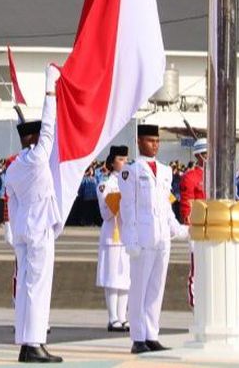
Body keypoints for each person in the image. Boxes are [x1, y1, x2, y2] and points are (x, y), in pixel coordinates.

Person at [4, 64, 62, 363]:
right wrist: (50, 88)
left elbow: (11, 202)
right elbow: (50, 126)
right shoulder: (39, 159)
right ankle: (35, 343)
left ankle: (26, 342)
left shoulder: (14, 168)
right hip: (39, 232)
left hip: (24, 231)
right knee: (38, 288)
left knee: (26, 286)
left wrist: (13, 231)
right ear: (34, 139)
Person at [120, 123, 189, 354]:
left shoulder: (166, 171)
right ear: (139, 142)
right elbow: (127, 207)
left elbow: (166, 207)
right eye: (150, 141)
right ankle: (138, 337)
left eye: (157, 141)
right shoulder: (130, 171)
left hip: (162, 238)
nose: (155, 145)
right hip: (142, 237)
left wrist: (180, 230)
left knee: (156, 288)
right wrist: (129, 240)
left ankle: (151, 334)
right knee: (139, 288)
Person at [96, 145, 131, 332]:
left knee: (125, 278)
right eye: (121, 159)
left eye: (126, 159)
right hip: (112, 234)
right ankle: (113, 318)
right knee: (112, 279)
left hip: (127, 235)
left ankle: (123, 316)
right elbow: (106, 214)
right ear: (112, 162)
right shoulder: (105, 185)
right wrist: (119, 201)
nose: (125, 162)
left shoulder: (130, 182)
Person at [178, 139, 207, 224]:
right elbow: (187, 204)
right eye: (206, 153)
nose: (210, 155)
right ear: (198, 155)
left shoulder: (216, 175)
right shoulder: (189, 177)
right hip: (199, 222)